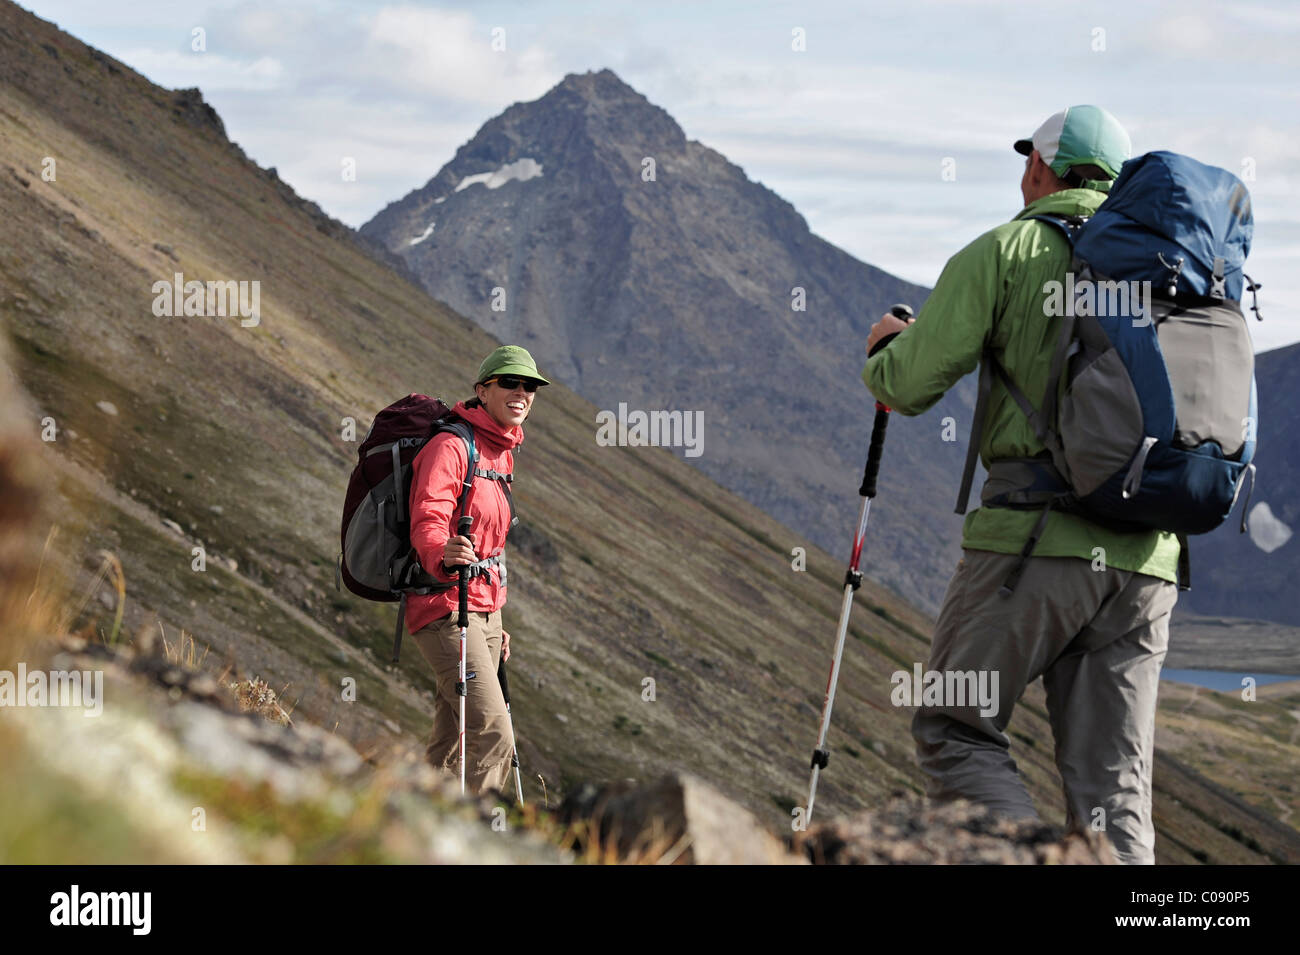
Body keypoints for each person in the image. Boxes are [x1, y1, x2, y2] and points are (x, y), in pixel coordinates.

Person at [862, 106, 1180, 864]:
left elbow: (906, 385)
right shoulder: (1171, 262)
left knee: (954, 723)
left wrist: (882, 352)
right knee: (1114, 787)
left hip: (1036, 541)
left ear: (1041, 167)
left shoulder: (1008, 250)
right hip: (1152, 556)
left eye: (1026, 162)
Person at [406, 344, 549, 794]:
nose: (521, 392)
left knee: (453, 738)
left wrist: (495, 620)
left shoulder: (501, 453)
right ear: (482, 391)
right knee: (493, 735)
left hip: (483, 613)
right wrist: (440, 553)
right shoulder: (451, 446)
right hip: (445, 606)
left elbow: (492, 542)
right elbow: (429, 514)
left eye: (530, 386)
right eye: (510, 382)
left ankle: (409, 827)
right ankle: (473, 840)